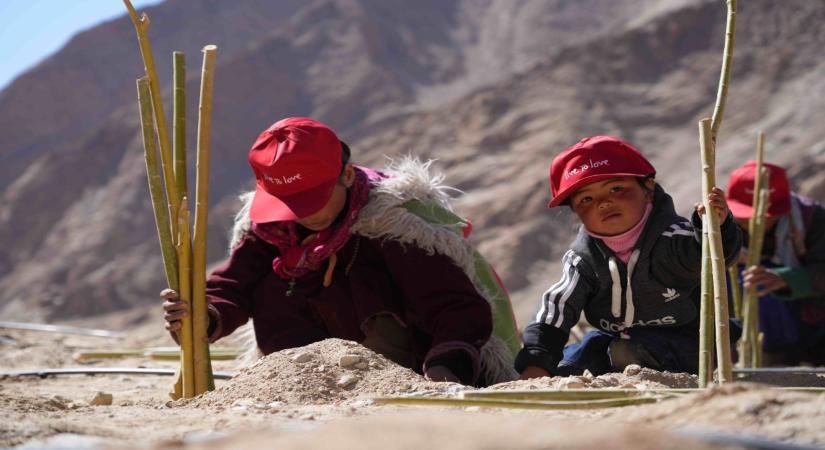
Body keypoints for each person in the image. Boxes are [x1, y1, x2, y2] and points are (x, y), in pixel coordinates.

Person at [162, 117, 519, 386]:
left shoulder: (395, 226)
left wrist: (445, 371)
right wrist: (201, 318)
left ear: (347, 176)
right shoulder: (270, 230)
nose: (302, 214)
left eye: (312, 200)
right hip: (301, 383)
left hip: (402, 378)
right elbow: (232, 287)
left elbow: (455, 307)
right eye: (289, 204)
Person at [516, 136, 742, 378]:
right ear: (575, 211)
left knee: (629, 352)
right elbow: (558, 305)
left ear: (649, 187)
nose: (603, 203)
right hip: (616, 339)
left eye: (616, 189)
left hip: (691, 342)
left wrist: (715, 227)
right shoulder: (582, 259)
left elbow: (713, 256)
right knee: (572, 362)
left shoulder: (675, 239)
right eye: (587, 199)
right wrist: (537, 357)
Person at [726, 161, 825, 366]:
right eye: (742, 215)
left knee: (764, 290)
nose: (749, 222)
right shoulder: (722, 224)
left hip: (807, 318)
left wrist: (785, 278)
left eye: (762, 217)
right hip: (737, 324)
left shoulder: (810, 219)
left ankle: (778, 362)